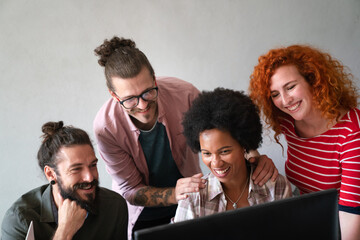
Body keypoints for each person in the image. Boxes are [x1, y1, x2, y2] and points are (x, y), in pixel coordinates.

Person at [93, 36, 278, 238]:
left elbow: (227, 127)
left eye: (147, 92)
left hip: (194, 203)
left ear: (154, 79)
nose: (142, 105)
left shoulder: (185, 94)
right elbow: (130, 190)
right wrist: (174, 194)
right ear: (114, 95)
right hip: (143, 216)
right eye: (130, 100)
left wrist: (253, 155)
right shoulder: (105, 127)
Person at [249, 44, 360, 240]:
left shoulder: (352, 131)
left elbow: (351, 215)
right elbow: (238, 132)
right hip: (317, 222)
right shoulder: (289, 122)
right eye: (275, 94)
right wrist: (256, 157)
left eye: (290, 87)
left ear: (313, 80)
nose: (285, 100)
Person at [173, 88, 292, 222]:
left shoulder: (276, 187)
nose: (216, 163)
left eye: (224, 151)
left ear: (244, 144)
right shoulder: (194, 199)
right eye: (207, 153)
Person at [1, 121, 128, 240]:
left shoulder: (115, 206)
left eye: (92, 165)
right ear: (51, 174)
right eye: (76, 169)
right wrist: (65, 230)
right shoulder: (20, 219)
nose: (89, 177)